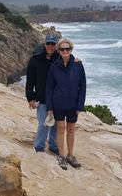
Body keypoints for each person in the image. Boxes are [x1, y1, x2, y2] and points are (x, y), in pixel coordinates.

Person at [46, 37, 86, 170]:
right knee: (61, 129)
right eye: (62, 49)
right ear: (59, 50)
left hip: (73, 104)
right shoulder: (54, 66)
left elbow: (83, 86)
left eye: (67, 49)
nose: (65, 51)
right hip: (58, 104)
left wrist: (80, 106)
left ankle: (70, 155)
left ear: (71, 49)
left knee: (71, 130)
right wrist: (49, 107)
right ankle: (62, 156)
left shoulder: (78, 65)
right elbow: (49, 87)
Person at [25, 34, 60, 155]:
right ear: (44, 44)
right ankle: (39, 146)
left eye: (53, 44)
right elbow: (30, 81)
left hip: (57, 97)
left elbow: (70, 67)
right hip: (42, 97)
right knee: (43, 123)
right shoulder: (35, 59)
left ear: (56, 45)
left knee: (56, 123)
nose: (50, 46)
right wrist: (30, 98)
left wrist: (76, 61)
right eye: (48, 43)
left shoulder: (60, 58)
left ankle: (54, 145)